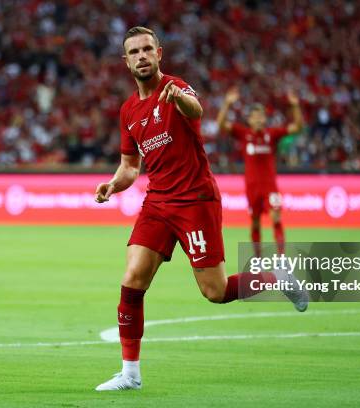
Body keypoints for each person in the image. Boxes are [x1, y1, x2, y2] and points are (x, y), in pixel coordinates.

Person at [94, 27, 308, 391]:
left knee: (215, 291)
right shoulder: (128, 111)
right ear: (126, 61)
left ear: (159, 53)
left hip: (195, 200)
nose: (142, 56)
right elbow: (130, 167)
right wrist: (114, 185)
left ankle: (276, 277)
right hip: (157, 203)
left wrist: (179, 98)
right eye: (135, 51)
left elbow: (197, 109)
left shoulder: (176, 87)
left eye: (148, 49)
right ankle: (130, 374)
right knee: (132, 280)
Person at [216, 88, 304, 256]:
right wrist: (227, 103)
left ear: (265, 119)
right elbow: (221, 124)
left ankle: (281, 259)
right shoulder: (243, 133)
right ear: (249, 119)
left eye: (261, 116)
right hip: (252, 187)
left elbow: (298, 127)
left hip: (270, 186)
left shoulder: (272, 134)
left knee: (276, 218)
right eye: (254, 116)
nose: (258, 119)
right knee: (255, 223)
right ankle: (258, 258)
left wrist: (295, 106)